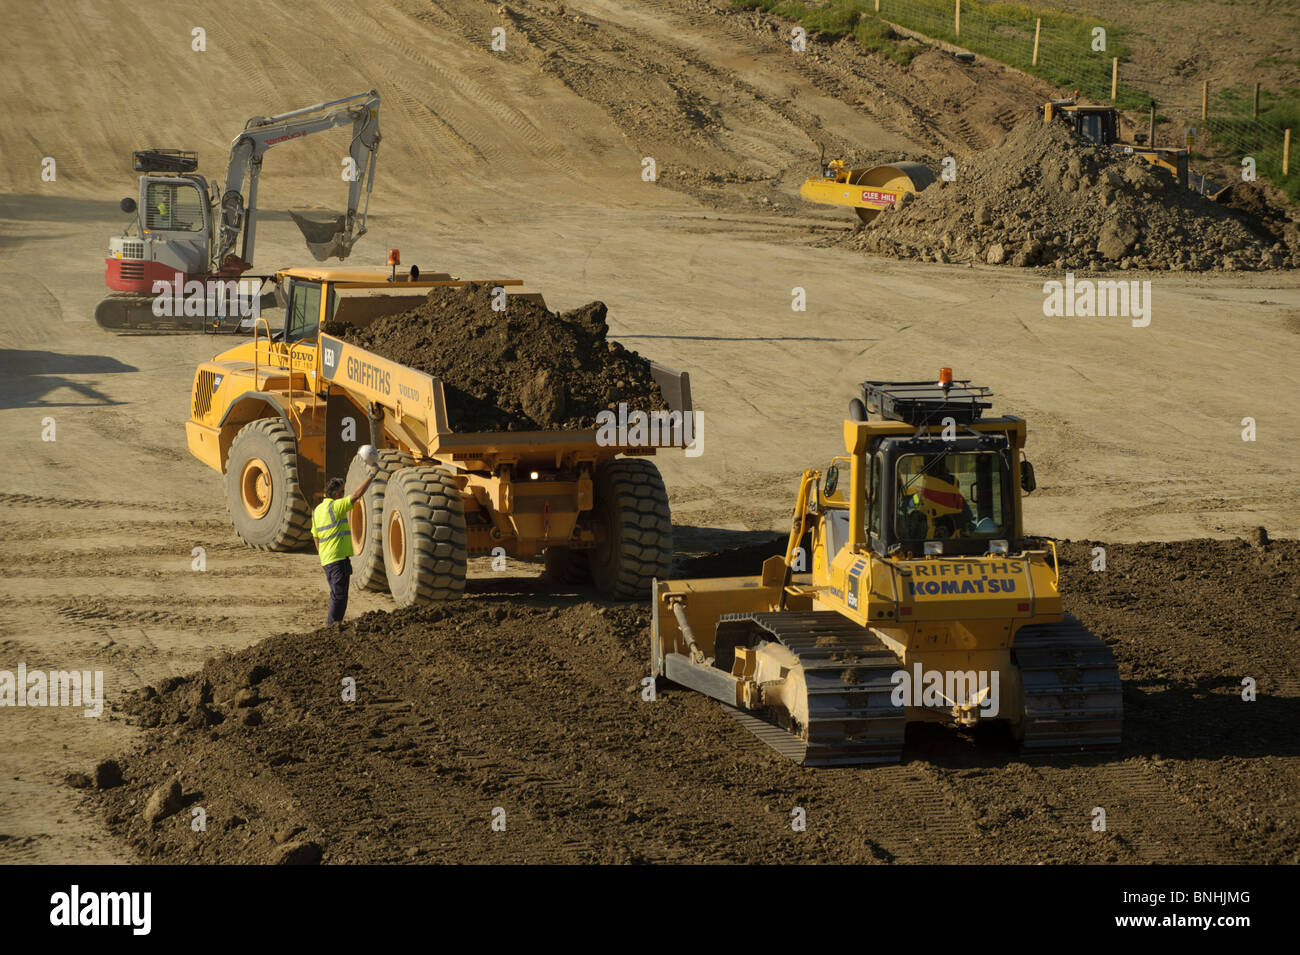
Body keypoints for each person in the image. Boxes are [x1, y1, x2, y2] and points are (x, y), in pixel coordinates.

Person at [312, 467, 377, 625]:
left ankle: (334, 625)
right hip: (337, 559)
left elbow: (315, 535)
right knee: (339, 596)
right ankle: (332, 627)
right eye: (342, 492)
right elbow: (356, 495)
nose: (344, 494)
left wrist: (322, 554)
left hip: (327, 560)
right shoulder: (335, 507)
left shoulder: (318, 510)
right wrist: (371, 475)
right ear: (335, 495)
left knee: (337, 594)